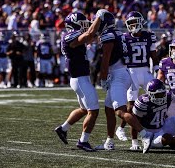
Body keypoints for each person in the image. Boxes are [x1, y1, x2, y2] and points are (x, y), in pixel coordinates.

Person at [94, 10, 154, 154]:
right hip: (123, 72)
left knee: (120, 111)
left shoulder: (108, 35)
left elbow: (105, 60)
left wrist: (102, 78)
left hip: (118, 75)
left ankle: (145, 135)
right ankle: (109, 141)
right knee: (108, 109)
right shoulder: (119, 33)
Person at [54, 11, 102, 151]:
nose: (85, 26)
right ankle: (83, 141)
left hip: (80, 78)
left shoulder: (74, 37)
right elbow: (88, 35)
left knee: (83, 109)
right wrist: (98, 17)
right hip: (80, 78)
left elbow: (91, 37)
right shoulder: (68, 36)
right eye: (82, 24)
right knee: (93, 111)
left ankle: (63, 129)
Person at [115, 11, 159, 148]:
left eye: (134, 22)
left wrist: (157, 67)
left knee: (157, 99)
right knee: (131, 106)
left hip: (145, 71)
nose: (132, 26)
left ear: (140, 23)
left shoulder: (149, 35)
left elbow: (153, 54)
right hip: (131, 71)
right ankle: (129, 137)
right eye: (130, 23)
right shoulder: (124, 38)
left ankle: (158, 130)